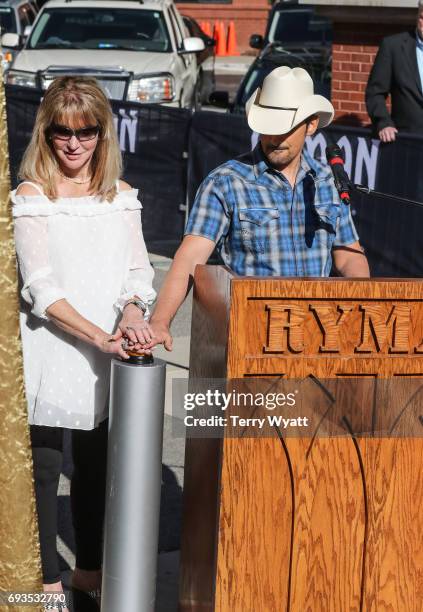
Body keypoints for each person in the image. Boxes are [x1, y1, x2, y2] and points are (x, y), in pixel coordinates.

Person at [11, 76, 156, 611]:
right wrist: (101, 336)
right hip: (53, 348)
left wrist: (135, 314)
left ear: (103, 133)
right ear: (45, 133)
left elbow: (138, 272)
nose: (73, 144)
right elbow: (41, 289)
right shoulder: (31, 197)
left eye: (86, 131)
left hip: (108, 351)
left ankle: (88, 572)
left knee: (97, 466)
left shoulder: (121, 196)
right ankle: (48, 581)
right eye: (61, 133)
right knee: (45, 470)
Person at [145, 66, 370, 352]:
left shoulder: (328, 182)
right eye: (268, 126)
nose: (275, 137)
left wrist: (364, 304)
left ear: (311, 125)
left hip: (318, 336)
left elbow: (350, 256)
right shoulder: (225, 182)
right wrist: (161, 321)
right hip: (251, 337)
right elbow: (189, 258)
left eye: (285, 128)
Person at [365, 0, 423, 143]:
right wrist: (384, 123)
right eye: (422, 17)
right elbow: (375, 92)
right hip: (406, 142)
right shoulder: (393, 47)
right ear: (417, 17)